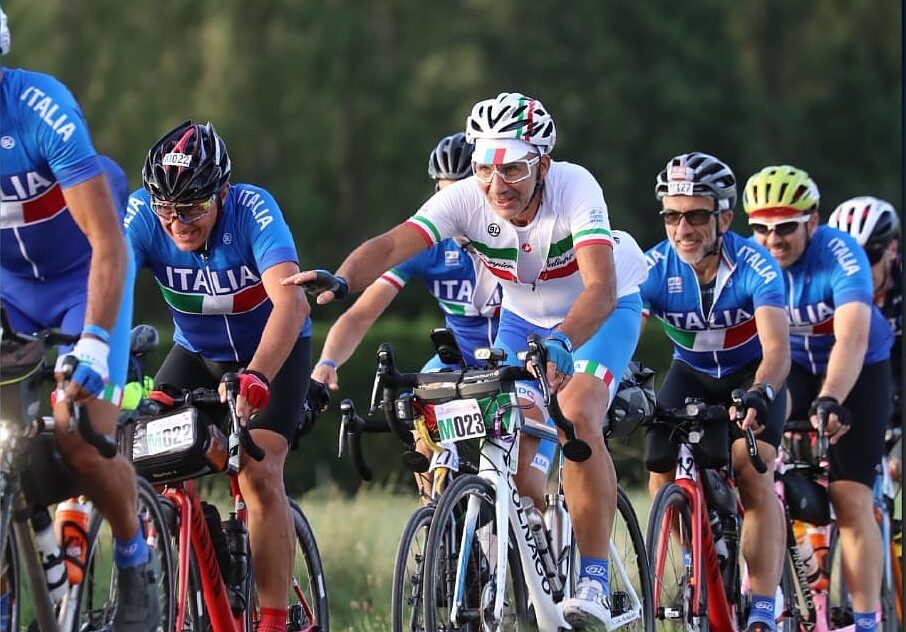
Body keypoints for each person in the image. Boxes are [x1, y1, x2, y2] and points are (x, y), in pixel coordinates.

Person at [284, 92, 649, 628]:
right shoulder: (465, 199)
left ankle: (593, 577)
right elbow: (390, 247)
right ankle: (531, 568)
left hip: (602, 309)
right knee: (510, 444)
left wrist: (563, 343)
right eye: (484, 168)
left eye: (514, 169)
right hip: (522, 318)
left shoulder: (576, 186)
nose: (497, 185)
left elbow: (598, 290)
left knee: (579, 413)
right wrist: (343, 279)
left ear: (543, 164)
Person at [0, 8, 159, 630]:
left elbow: (107, 242)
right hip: (10, 291)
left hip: (82, 280)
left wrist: (92, 341)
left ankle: (132, 558)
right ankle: (29, 543)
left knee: (80, 436)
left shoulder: (39, 106)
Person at [124, 120, 311, 632]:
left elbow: (291, 302)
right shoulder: (144, 213)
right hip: (197, 354)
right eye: (168, 210)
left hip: (273, 352)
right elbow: (110, 283)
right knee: (141, 456)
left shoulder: (252, 209)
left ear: (221, 194)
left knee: (258, 471)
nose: (178, 222)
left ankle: (272, 620)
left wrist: (257, 377)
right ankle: (196, 566)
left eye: (192, 208)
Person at [640, 151, 790, 632]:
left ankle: (764, 602)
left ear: (725, 217)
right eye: (672, 215)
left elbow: (777, 351)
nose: (683, 228)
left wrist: (762, 392)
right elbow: (624, 327)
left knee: (750, 468)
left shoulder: (755, 264)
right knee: (659, 468)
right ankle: (701, 559)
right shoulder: (653, 267)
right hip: (691, 373)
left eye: (697, 215)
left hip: (749, 375)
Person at [743, 166, 893, 632]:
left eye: (786, 226)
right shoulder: (750, 258)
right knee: (753, 459)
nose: (773, 239)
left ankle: (867, 620)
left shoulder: (840, 254)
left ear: (812, 221)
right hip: (795, 366)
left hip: (859, 368)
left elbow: (850, 341)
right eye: (762, 228)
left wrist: (830, 399)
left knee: (850, 496)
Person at [828, 196, 902, 478]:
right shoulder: (828, 292)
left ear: (892, 249)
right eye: (847, 256)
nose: (857, 267)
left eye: (868, 255)